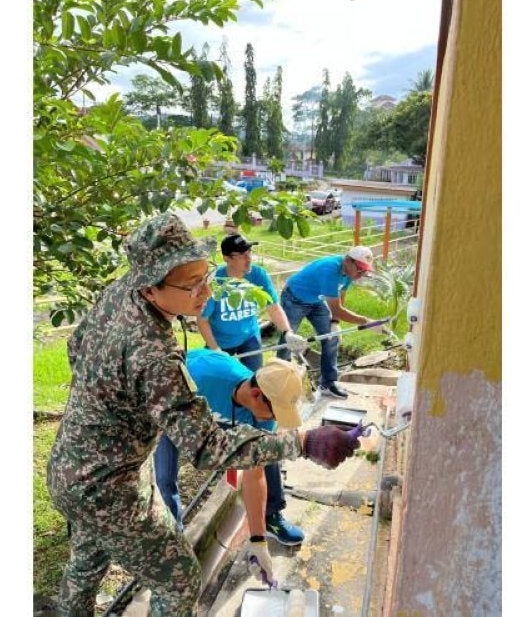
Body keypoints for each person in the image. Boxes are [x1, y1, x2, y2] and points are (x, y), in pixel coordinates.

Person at [46, 213, 363, 617]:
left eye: (206, 276)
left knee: (86, 562)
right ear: (150, 288)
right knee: (178, 580)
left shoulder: (119, 293)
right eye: (192, 285)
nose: (206, 293)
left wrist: (110, 401)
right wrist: (304, 442)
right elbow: (206, 448)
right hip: (108, 485)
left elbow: (76, 349)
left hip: (69, 466)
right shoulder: (155, 356)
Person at [155, 350, 307, 554]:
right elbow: (158, 394)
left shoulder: (262, 412)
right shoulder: (201, 374)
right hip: (174, 408)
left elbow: (255, 473)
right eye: (275, 413)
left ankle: (271, 516)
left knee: (268, 452)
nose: (275, 419)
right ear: (256, 394)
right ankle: (174, 537)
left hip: (222, 412)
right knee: (164, 476)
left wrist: (258, 540)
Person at [277, 245, 389, 399]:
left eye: (364, 271)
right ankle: (280, 382)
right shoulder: (329, 270)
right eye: (360, 269)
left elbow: (341, 295)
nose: (361, 274)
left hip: (316, 300)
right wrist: (367, 322)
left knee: (331, 338)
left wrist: (335, 322)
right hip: (294, 298)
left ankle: (328, 384)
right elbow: (337, 309)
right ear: (348, 260)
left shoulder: (349, 273)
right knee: (288, 341)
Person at [196, 233, 307, 372]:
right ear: (227, 258)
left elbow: (273, 308)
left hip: (249, 337)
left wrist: (287, 332)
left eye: (249, 252)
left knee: (255, 377)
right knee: (218, 376)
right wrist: (215, 349)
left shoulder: (258, 275)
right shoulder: (214, 281)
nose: (248, 258)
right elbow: (202, 319)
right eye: (242, 255)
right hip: (220, 341)